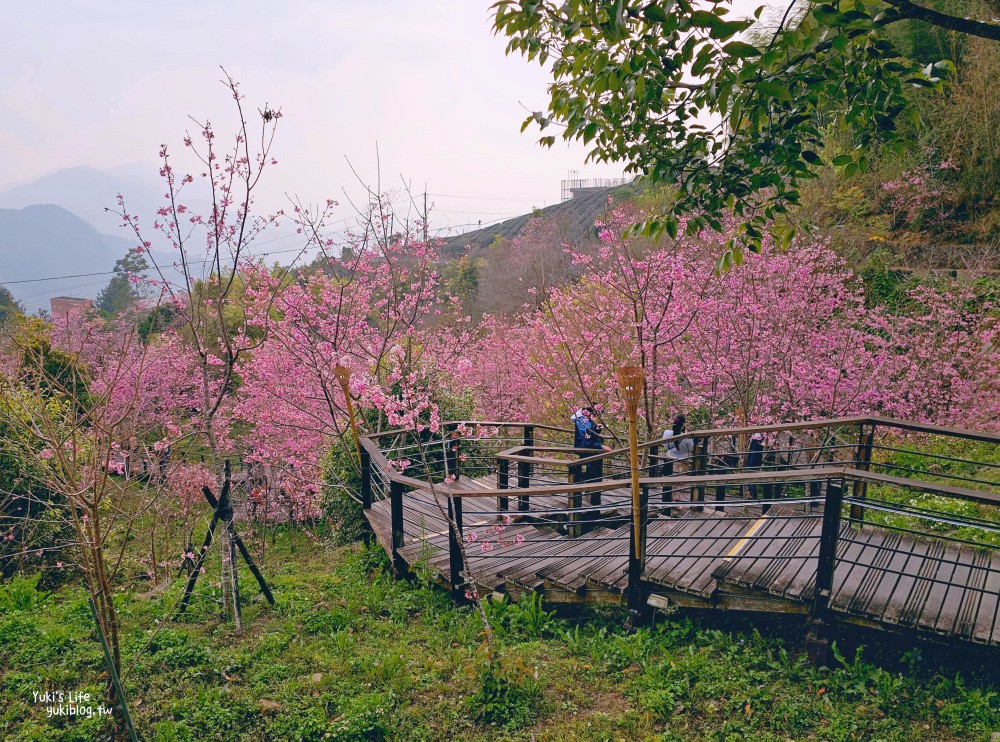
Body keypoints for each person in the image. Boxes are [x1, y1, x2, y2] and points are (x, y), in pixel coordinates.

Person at [746, 431, 765, 499]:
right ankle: (753, 495)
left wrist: (749, 465)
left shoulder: (754, 445)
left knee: (751, 480)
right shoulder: (759, 445)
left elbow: (752, 456)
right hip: (756, 463)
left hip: (752, 464)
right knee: (752, 480)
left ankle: (752, 495)